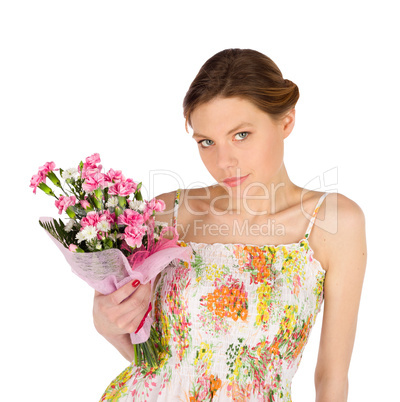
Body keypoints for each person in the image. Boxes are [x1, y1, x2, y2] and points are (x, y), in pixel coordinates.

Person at [94, 48, 367, 401]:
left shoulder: (332, 223)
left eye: (241, 135)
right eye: (207, 142)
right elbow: (150, 359)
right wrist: (104, 320)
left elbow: (332, 377)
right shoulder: (167, 212)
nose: (224, 161)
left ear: (285, 121)